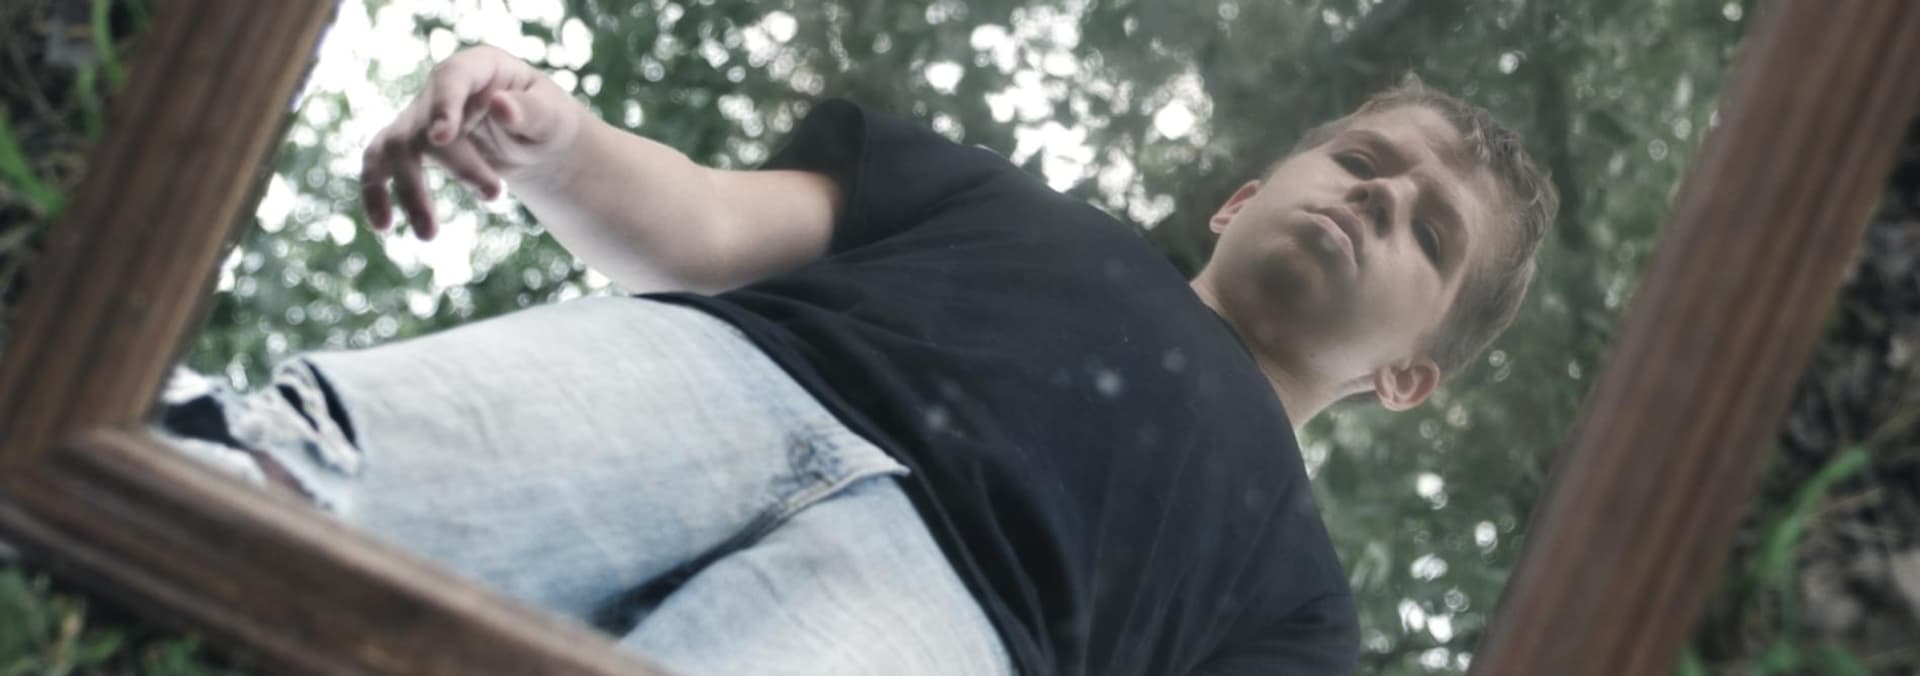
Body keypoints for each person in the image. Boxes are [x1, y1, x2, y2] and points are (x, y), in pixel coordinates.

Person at [156, 43, 1555, 676]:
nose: (1381, 197)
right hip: (721, 386)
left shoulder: (1301, 606)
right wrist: (551, 138)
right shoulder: (1006, 202)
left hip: (953, 631)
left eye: (1430, 232)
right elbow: (706, 225)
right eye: (1363, 161)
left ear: (1410, 375)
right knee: (276, 478)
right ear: (1243, 198)